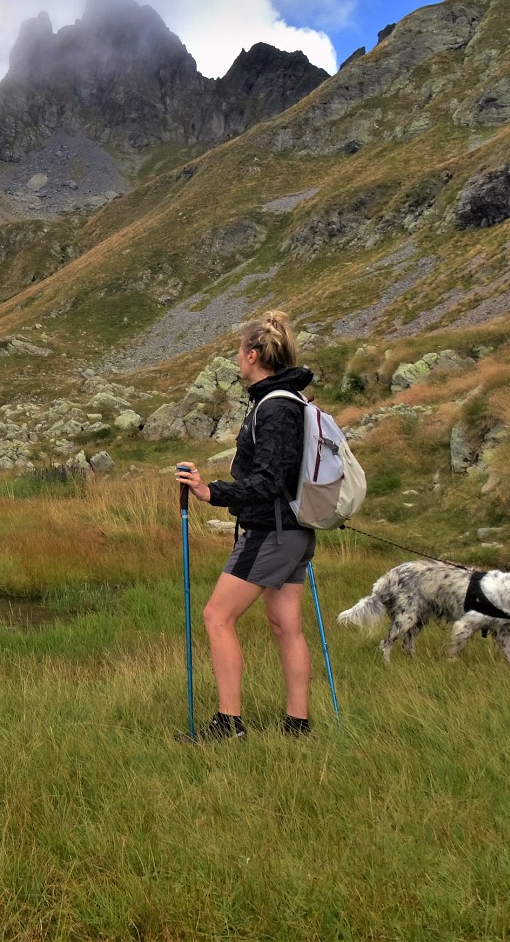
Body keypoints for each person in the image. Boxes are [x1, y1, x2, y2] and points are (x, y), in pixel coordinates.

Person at [176, 311, 314, 741]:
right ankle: (297, 726)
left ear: (253, 355)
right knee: (285, 625)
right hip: (294, 531)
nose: (237, 360)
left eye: (240, 352)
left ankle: (228, 725)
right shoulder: (292, 401)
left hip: (271, 531)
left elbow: (270, 480)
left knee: (217, 616)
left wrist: (210, 492)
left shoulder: (273, 408)